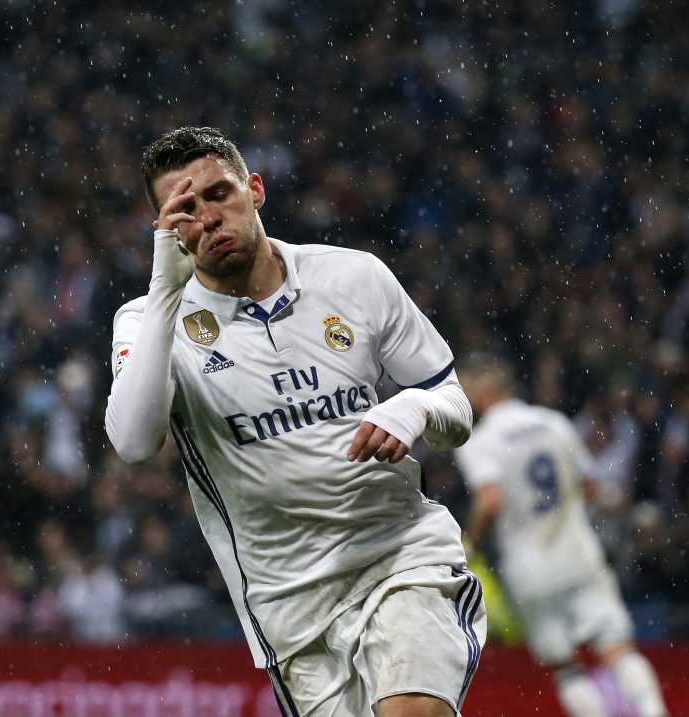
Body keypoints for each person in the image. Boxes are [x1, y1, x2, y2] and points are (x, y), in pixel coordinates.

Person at [105, 127, 485, 717]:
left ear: (255, 190)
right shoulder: (147, 322)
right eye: (183, 210)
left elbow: (454, 404)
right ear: (164, 232)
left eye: (218, 194)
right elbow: (132, 442)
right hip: (290, 605)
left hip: (398, 555)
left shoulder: (355, 277)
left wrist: (413, 407)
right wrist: (163, 291)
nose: (206, 218)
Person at [454, 353, 670, 717]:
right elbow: (588, 486)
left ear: (484, 390)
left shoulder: (482, 440)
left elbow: (490, 500)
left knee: (566, 667)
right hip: (577, 553)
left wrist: (470, 543)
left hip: (529, 568)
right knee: (616, 649)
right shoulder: (554, 423)